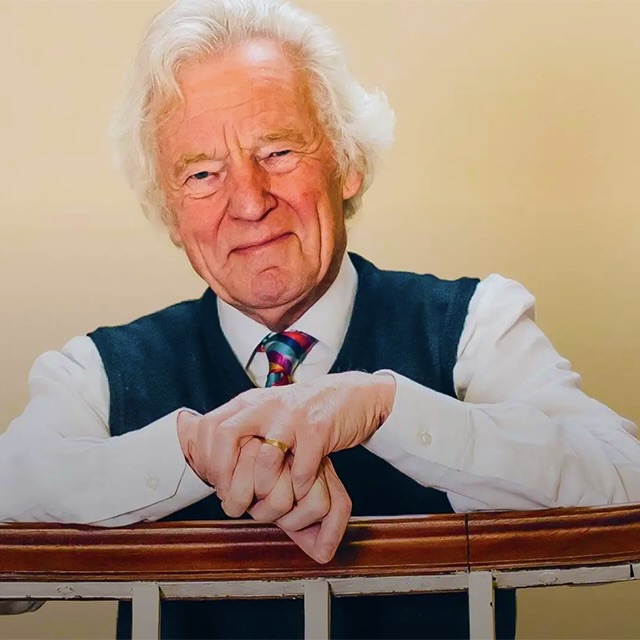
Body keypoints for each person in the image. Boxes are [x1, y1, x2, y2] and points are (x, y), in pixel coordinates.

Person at [1, 0, 639, 637]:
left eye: (277, 151)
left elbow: (626, 481)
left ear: (349, 162)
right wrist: (191, 451)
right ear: (171, 215)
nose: (248, 202)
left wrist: (386, 408)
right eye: (201, 173)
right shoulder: (94, 373)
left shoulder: (476, 323)